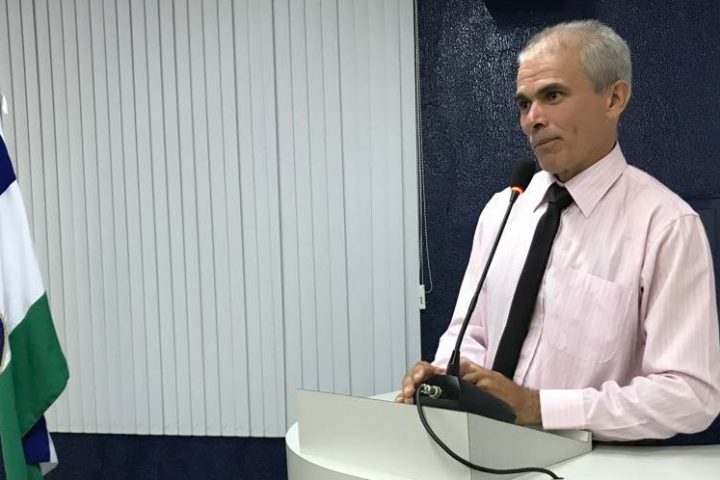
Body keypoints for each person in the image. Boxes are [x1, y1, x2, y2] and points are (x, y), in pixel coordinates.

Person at [395, 20, 720, 441]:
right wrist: (443, 379)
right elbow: (471, 333)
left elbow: (691, 395)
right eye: (523, 103)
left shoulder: (665, 225)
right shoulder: (503, 210)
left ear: (614, 99)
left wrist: (539, 407)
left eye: (552, 95)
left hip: (592, 461)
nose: (532, 119)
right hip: (479, 449)